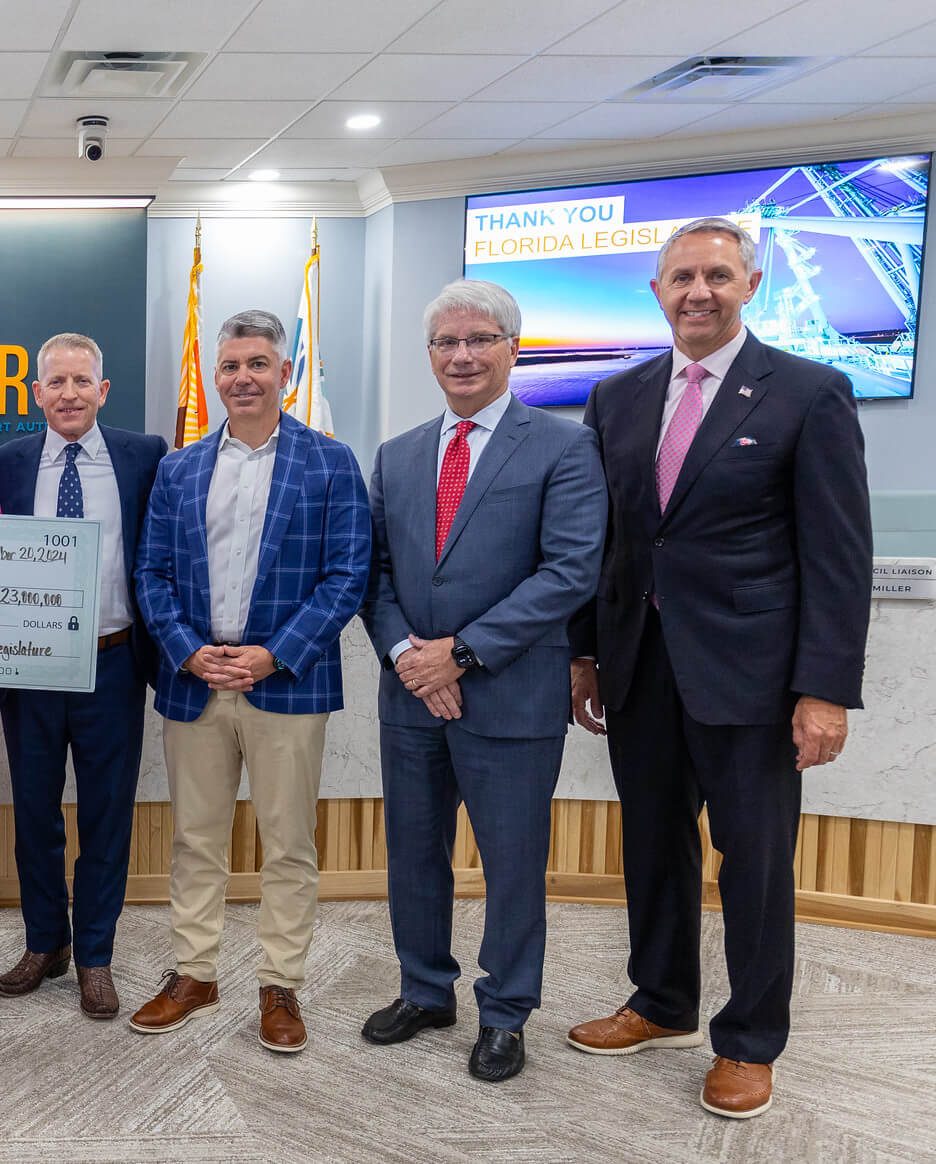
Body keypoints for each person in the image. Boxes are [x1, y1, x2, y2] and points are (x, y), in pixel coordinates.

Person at [565, 217, 872, 1119]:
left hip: (754, 678)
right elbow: (607, 542)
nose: (699, 291)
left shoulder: (809, 393)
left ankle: (749, 1041)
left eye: (717, 275)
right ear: (655, 292)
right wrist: (584, 651)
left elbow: (838, 554)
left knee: (756, 862)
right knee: (654, 848)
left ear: (752, 285)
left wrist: (824, 690)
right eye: (682, 277)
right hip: (638, 670)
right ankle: (661, 1003)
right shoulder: (615, 398)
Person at [357, 280, 605, 1082]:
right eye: (445, 343)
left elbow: (570, 571)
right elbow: (378, 576)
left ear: (512, 348)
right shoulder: (397, 454)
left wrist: (457, 655)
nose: (461, 355)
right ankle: (426, 989)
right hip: (411, 697)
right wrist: (407, 658)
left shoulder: (564, 447)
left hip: (509, 697)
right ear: (429, 355)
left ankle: (506, 1012)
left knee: (511, 863)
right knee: (414, 857)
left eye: (479, 339)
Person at [130, 308, 370, 1051]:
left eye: (258, 364)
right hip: (195, 681)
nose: (242, 378)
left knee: (287, 843)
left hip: (286, 681)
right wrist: (186, 649)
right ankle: (195, 973)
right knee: (195, 839)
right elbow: (153, 574)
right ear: (216, 376)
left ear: (285, 375)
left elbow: (347, 574)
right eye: (230, 366)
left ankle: (280, 986)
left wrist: (274, 652)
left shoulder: (330, 462)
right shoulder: (180, 467)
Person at [0, 332, 165, 1020]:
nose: (68, 394)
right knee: (34, 817)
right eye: (54, 383)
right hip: (29, 672)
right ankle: (43, 944)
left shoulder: (145, 457)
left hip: (113, 663)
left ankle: (94, 956)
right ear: (36, 394)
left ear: (102, 390)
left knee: (106, 817)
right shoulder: (2, 464)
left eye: (80, 382)